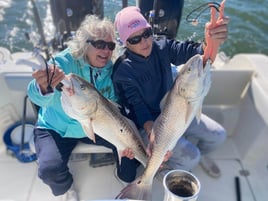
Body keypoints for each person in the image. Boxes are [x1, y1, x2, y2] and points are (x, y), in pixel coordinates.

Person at [27, 15, 136, 201]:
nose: (106, 51)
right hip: (57, 126)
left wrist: (124, 140)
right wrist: (43, 87)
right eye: (100, 44)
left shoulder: (112, 69)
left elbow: (113, 106)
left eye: (110, 46)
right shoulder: (63, 63)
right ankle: (66, 188)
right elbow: (36, 95)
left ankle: (124, 178)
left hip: (95, 125)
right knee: (49, 170)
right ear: (85, 44)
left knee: (131, 151)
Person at [112, 6, 230, 179]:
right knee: (191, 157)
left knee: (218, 136)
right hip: (149, 124)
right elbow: (137, 108)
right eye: (135, 39)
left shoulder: (162, 46)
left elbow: (199, 56)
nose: (145, 42)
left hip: (177, 107)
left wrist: (211, 41)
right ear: (125, 43)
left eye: (146, 33)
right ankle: (161, 171)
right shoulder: (123, 71)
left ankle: (197, 155)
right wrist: (154, 134)